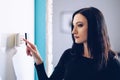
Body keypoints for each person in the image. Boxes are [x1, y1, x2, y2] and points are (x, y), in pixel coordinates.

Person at [23, 7, 120, 80]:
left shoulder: (112, 64)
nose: (73, 31)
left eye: (80, 25)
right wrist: (38, 60)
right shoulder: (69, 55)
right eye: (73, 26)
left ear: (94, 28)